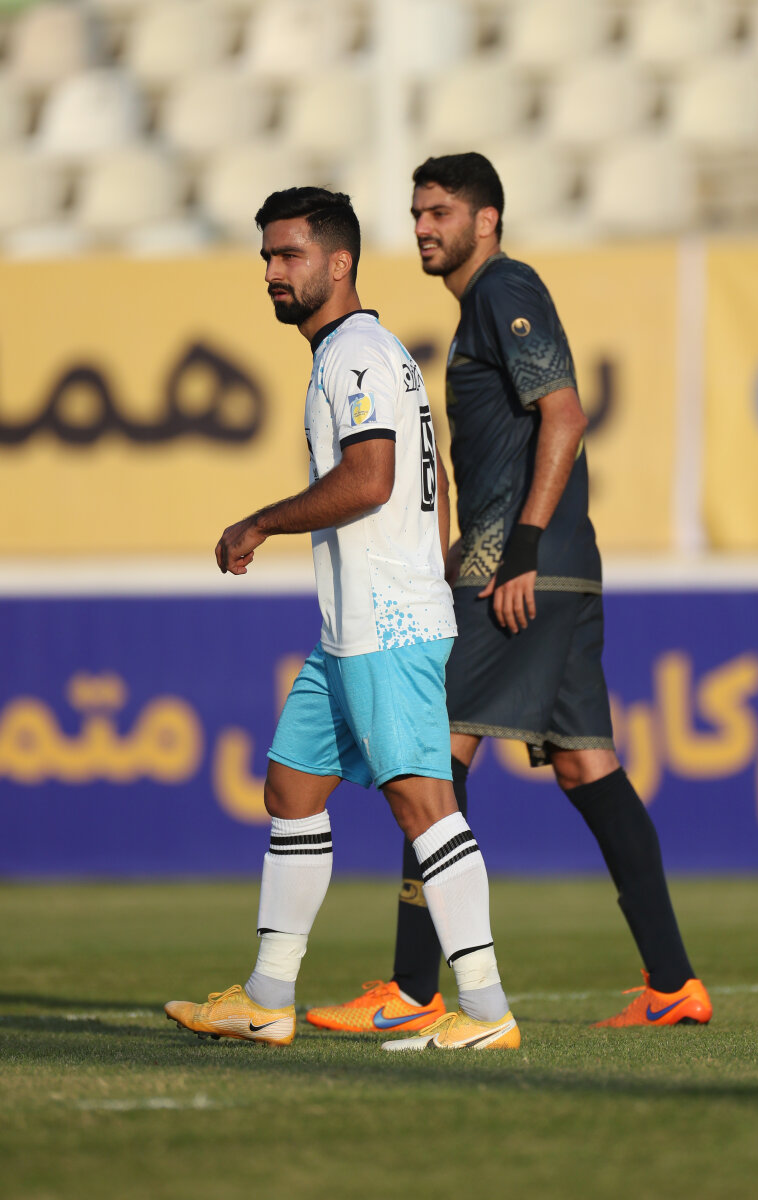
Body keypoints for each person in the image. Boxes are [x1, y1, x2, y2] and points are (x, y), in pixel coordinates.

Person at [306, 155, 712, 1032]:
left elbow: (565, 413)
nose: (423, 227)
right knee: (585, 764)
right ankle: (675, 983)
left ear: (486, 220)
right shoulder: (476, 309)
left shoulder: (504, 289)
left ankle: (413, 990)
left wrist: (518, 547)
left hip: (522, 571)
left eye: (440, 212)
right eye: (417, 212)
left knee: (430, 755)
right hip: (549, 563)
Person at [164, 186, 519, 1052]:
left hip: (386, 624)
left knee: (423, 805)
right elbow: (429, 485)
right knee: (291, 785)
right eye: (267, 257)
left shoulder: (356, 354)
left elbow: (371, 479)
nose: (273, 272)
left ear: (339, 262)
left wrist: (260, 522)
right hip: (356, 626)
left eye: (289, 255)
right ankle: (266, 998)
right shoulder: (358, 352)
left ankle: (486, 1011)